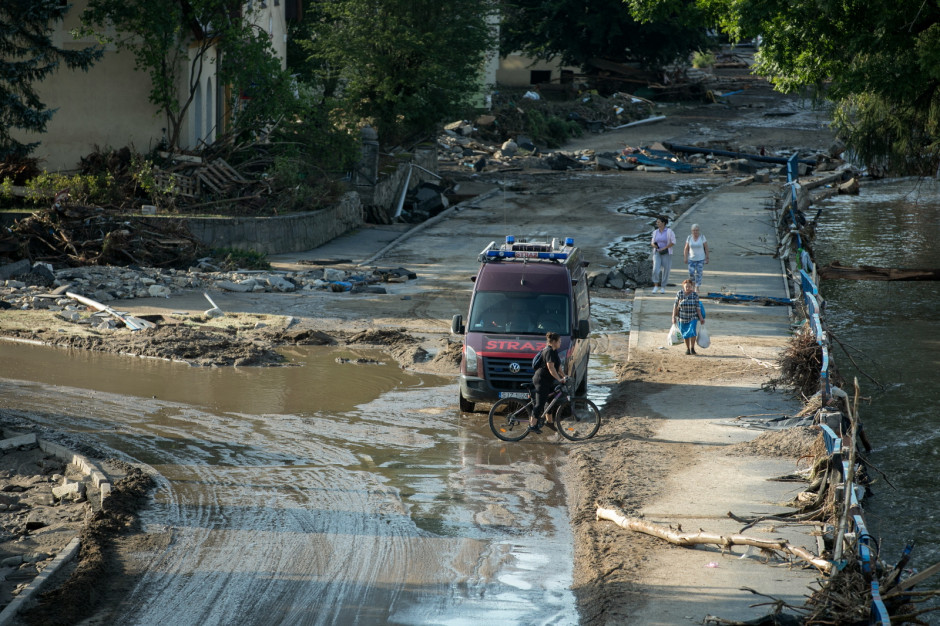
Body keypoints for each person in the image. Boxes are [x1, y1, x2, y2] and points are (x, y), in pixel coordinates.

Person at [530, 331, 567, 433]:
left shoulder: (554, 351)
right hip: (541, 380)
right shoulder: (549, 351)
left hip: (548, 380)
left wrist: (565, 376)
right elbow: (551, 368)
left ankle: (549, 422)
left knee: (550, 399)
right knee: (539, 403)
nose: (560, 343)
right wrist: (559, 379)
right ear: (554, 342)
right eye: (559, 341)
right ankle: (532, 425)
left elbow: (558, 366)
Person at [672, 279, 705, 355]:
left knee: (692, 332)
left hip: (692, 317)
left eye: (689, 286)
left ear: (692, 287)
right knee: (685, 334)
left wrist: (701, 317)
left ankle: (692, 348)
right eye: (686, 286)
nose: (688, 288)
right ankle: (687, 348)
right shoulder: (679, 294)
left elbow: (698, 307)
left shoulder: (694, 295)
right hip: (682, 318)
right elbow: (675, 306)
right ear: (683, 286)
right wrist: (673, 317)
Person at [650, 216, 676, 293]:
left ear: (663, 223)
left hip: (666, 252)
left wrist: (665, 248)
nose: (657, 223)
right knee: (655, 269)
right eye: (657, 222)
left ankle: (663, 287)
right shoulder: (655, 232)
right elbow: (652, 242)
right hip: (657, 252)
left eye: (659, 222)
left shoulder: (669, 231)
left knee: (666, 269)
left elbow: (673, 242)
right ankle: (655, 285)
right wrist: (654, 245)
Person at [683, 224, 709, 292]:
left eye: (697, 230)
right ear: (691, 231)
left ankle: (697, 286)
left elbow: (706, 247)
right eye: (694, 230)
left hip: (700, 258)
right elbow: (686, 248)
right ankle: (693, 286)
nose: (695, 232)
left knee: (699, 273)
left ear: (699, 231)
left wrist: (707, 257)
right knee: (691, 273)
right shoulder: (689, 237)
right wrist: (685, 257)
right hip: (691, 258)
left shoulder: (702, 237)